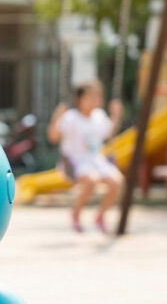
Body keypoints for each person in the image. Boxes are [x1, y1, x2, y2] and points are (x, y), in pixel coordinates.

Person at [47, 79, 124, 233]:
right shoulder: (71, 117)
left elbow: (109, 133)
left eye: (98, 96)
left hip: (96, 160)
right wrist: (57, 117)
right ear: (79, 99)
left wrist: (116, 115)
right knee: (92, 180)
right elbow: (53, 137)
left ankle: (100, 215)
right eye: (91, 97)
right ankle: (76, 213)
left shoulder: (99, 116)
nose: (95, 100)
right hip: (75, 161)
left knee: (117, 182)